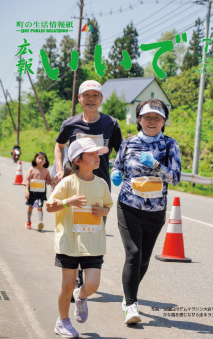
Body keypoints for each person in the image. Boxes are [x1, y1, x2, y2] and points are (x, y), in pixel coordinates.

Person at [111, 99, 181, 325]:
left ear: (163, 121)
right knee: (133, 254)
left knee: (144, 259)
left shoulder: (170, 145)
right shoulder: (128, 143)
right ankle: (131, 305)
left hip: (156, 210)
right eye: (147, 117)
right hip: (129, 206)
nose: (152, 121)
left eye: (157, 118)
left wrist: (156, 165)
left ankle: (127, 293)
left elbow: (176, 178)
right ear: (139, 119)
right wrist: (115, 174)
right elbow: (117, 165)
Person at [53, 79, 122, 290]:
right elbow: (59, 145)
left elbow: (121, 151)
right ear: (80, 99)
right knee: (73, 229)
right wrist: (58, 169)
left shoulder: (111, 124)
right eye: (87, 95)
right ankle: (76, 277)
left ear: (101, 99)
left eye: (95, 95)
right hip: (74, 185)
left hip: (99, 187)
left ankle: (84, 273)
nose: (91, 99)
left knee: (92, 230)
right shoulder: (70, 124)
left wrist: (118, 169)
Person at [46, 138, 113, 338]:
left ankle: (81, 296)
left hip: (93, 243)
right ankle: (63, 322)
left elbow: (107, 208)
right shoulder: (68, 183)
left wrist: (102, 211)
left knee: (92, 284)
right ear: (78, 160)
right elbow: (50, 206)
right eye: (91, 154)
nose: (97, 157)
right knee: (67, 284)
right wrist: (68, 202)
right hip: (69, 242)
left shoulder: (101, 183)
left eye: (97, 153)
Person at [22, 152, 52, 231]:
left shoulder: (46, 171)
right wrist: (26, 191)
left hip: (41, 193)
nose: (41, 160)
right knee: (31, 207)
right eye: (39, 158)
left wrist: (54, 182)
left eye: (42, 159)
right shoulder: (31, 170)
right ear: (35, 159)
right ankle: (28, 222)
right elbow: (27, 181)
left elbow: (49, 181)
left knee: (39, 207)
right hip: (32, 193)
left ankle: (40, 222)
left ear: (45, 161)